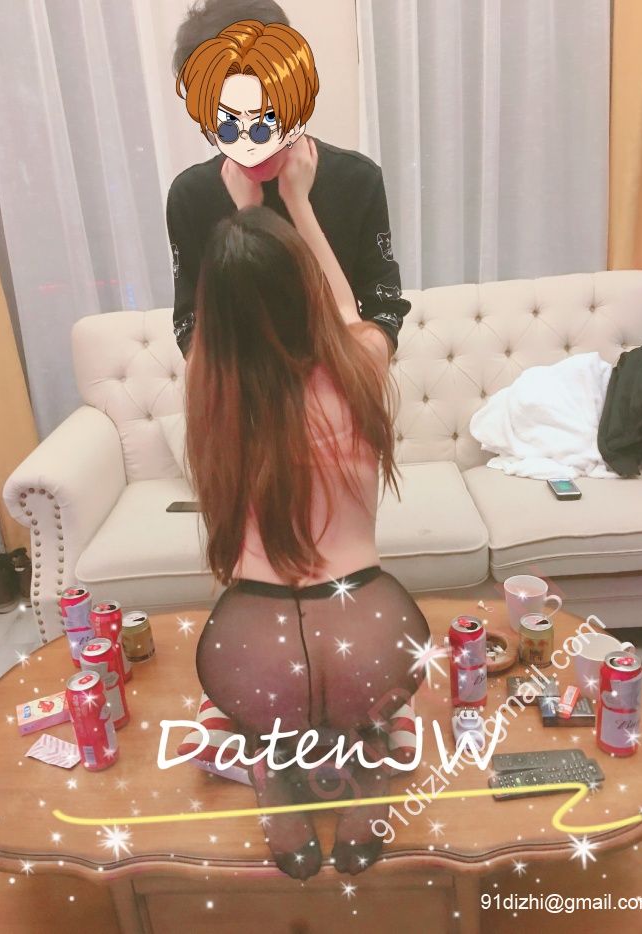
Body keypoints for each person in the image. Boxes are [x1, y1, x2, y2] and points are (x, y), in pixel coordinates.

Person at [185, 136, 430, 880]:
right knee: (367, 711)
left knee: (271, 715)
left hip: (249, 652)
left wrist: (241, 217)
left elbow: (214, 334)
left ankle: (272, 765)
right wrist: (294, 202)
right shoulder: (359, 365)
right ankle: (367, 759)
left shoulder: (208, 391)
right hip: (371, 636)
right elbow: (348, 309)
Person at [167, 3, 410, 360]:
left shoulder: (357, 180)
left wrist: (298, 204)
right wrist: (250, 218)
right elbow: (193, 331)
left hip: (345, 385)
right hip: (245, 392)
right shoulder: (191, 197)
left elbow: (382, 314)